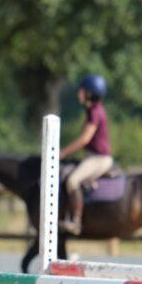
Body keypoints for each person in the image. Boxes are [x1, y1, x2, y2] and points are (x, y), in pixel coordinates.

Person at [60, 74, 112, 235]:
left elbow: (84, 139)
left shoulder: (95, 111)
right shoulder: (94, 110)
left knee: (72, 180)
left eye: (82, 91)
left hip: (99, 159)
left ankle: (76, 222)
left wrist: (61, 153)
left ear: (89, 93)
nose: (79, 94)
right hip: (93, 157)